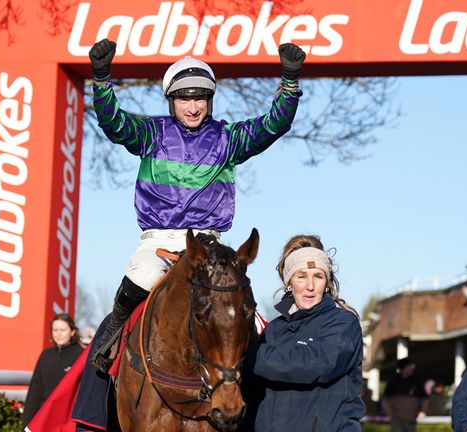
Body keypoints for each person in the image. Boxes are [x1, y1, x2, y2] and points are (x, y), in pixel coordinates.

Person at [87, 38, 305, 372]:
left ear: (210, 100)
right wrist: (102, 80)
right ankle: (110, 340)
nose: (192, 107)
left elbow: (273, 125)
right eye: (184, 98)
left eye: (200, 97)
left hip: (209, 244)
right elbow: (114, 123)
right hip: (158, 243)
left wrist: (289, 84)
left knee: (249, 318)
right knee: (143, 275)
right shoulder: (151, 133)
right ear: (171, 101)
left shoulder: (228, 138)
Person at [245, 234, 364, 431]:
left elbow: (315, 363)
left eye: (318, 276)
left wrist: (251, 355)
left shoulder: (343, 323)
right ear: (289, 282)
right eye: (301, 276)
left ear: (326, 282)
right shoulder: (273, 330)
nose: (310, 286)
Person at [22, 313, 84, 427]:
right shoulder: (46, 355)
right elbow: (35, 392)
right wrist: (26, 424)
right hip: (45, 418)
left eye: (62, 330)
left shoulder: (81, 356)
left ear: (72, 332)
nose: (58, 334)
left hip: (69, 421)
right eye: (55, 330)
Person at [383, 357, 429, 432]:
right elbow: (385, 399)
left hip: (412, 420)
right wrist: (389, 413)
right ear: (403, 368)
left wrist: (423, 411)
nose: (412, 368)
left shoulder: (417, 381)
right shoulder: (393, 381)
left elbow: (425, 399)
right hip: (396, 420)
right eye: (409, 366)